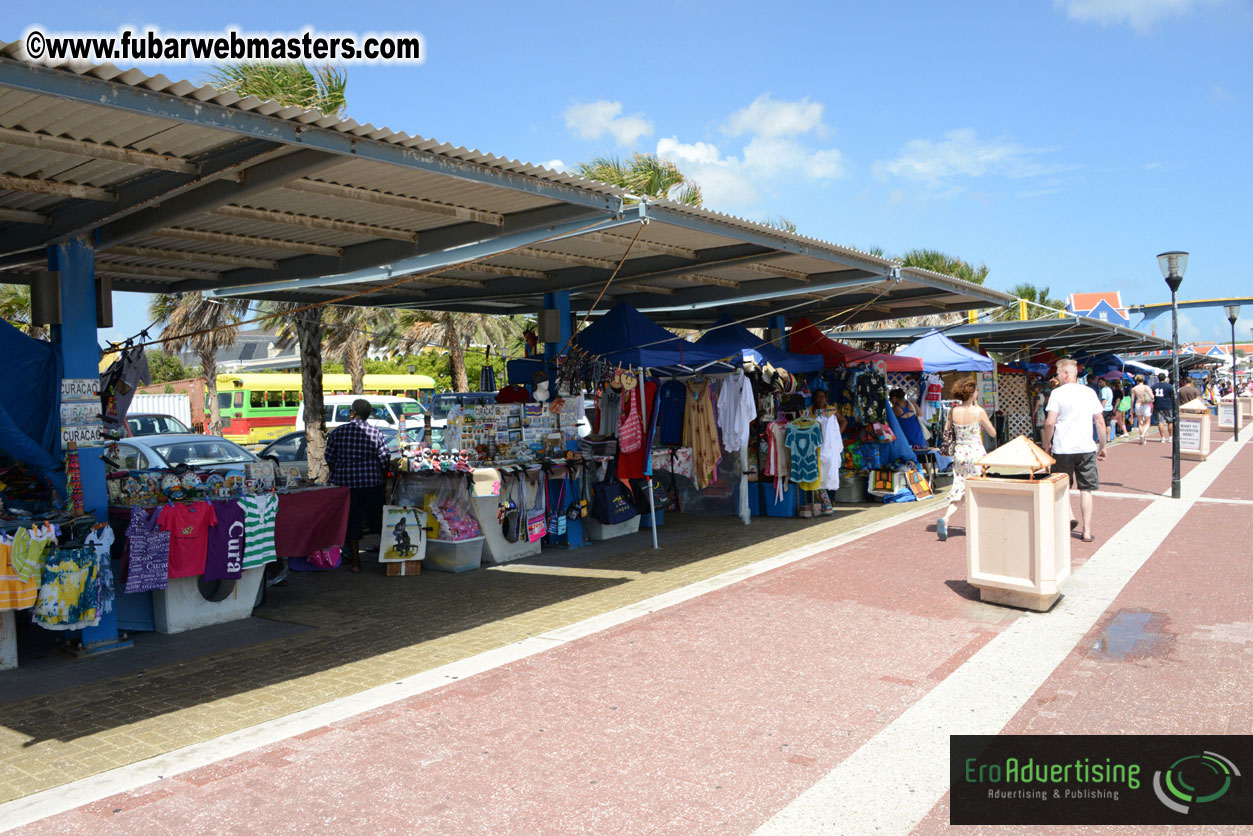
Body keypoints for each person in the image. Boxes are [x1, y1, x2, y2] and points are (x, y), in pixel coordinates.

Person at [1042, 359, 1107, 543]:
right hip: (1086, 447)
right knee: (1086, 489)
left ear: (1066, 374)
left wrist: (1047, 444)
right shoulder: (1089, 392)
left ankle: (1070, 516)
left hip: (1063, 447)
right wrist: (1103, 446)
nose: (1056, 376)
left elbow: (1050, 422)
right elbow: (1100, 421)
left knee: (1062, 487)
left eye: (1057, 373)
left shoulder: (1057, 394)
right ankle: (1087, 531)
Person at [325, 398, 391, 572]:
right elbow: (385, 458)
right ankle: (389, 559)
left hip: (346, 485)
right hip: (371, 483)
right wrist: (381, 478)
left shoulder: (338, 432)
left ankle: (356, 563)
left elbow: (329, 458)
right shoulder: (375, 432)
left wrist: (340, 472)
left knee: (351, 523)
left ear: (352, 412)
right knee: (378, 521)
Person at [936, 377, 995, 541]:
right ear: (971, 393)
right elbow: (993, 433)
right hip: (976, 453)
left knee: (959, 489)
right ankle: (979, 524)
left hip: (959, 454)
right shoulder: (978, 411)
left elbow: (946, 432)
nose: (977, 393)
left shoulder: (952, 411)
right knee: (978, 488)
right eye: (976, 390)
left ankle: (946, 518)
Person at [1150, 373, 1175, 444]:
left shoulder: (1153, 386)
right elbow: (1172, 396)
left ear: (1158, 378)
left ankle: (1162, 438)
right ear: (1165, 378)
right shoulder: (1169, 386)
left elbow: (1152, 396)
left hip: (1158, 405)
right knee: (1170, 421)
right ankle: (1170, 437)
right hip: (1168, 405)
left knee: (1160, 422)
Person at [1131, 374, 1155, 445]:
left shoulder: (1134, 388)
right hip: (1146, 405)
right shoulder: (1146, 387)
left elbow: (1132, 399)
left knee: (1140, 422)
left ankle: (1142, 438)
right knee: (1147, 422)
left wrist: (1131, 408)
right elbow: (1152, 396)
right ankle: (1143, 435)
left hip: (1138, 404)